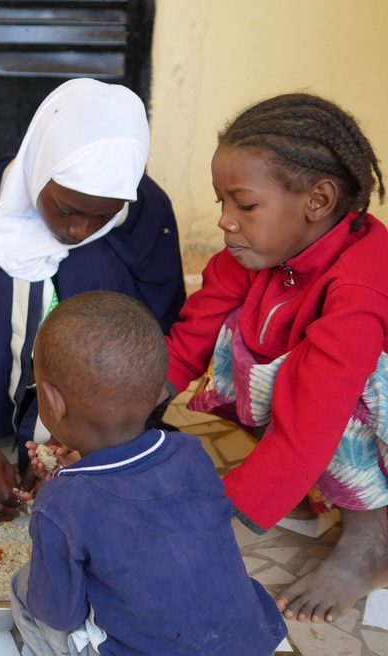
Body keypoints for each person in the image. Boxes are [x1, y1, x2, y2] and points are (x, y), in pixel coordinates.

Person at [0, 78, 186, 520]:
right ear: (40, 168)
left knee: (101, 277)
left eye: (104, 215)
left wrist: (75, 447)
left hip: (95, 423)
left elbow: (159, 341)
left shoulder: (147, 212)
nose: (80, 230)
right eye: (65, 208)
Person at [165, 93, 388, 624]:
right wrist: (123, 413)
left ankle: (370, 543)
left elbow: (312, 422)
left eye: (244, 204)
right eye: (221, 203)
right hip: (319, 402)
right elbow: (192, 333)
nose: (225, 222)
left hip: (365, 409)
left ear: (318, 200)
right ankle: (298, 482)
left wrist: (220, 514)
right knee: (237, 336)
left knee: (331, 396)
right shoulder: (262, 251)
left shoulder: (359, 289)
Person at [10, 291, 286, 656]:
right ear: (158, 391)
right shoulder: (191, 452)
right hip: (246, 643)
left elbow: (60, 614)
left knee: (23, 585)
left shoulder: (61, 504)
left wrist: (59, 493)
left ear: (53, 402)